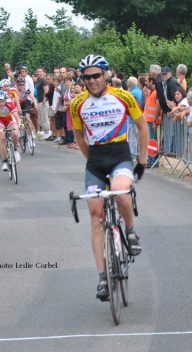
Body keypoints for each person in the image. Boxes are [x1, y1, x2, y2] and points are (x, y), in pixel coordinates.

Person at [70, 54, 149, 301]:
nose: (91, 81)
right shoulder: (77, 103)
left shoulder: (123, 96)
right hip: (95, 160)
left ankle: (131, 230)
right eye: (86, 77)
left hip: (120, 155)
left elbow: (142, 127)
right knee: (95, 215)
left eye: (96, 76)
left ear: (105, 75)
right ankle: (103, 278)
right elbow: (79, 137)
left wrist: (142, 162)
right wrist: (89, 161)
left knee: (120, 189)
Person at [0, 91, 22, 171]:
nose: (1, 103)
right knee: (2, 137)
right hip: (0, 121)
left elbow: (16, 116)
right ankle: (4, 161)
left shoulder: (10, 103)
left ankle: (15, 151)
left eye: (3, 101)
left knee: (15, 133)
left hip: (10, 119)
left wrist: (19, 125)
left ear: (5, 100)